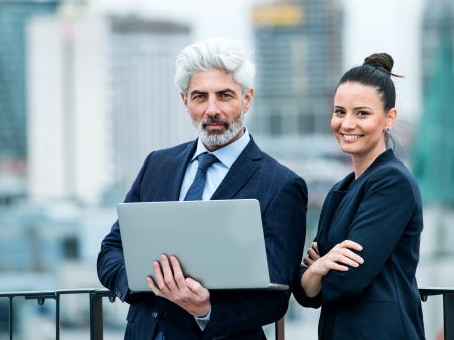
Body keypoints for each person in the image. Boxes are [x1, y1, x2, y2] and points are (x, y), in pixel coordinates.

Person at [97, 38, 308, 340]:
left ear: (247, 99)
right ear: (185, 101)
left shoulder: (282, 184)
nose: (212, 109)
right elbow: (110, 251)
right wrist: (145, 282)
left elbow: (275, 296)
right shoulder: (157, 165)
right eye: (200, 97)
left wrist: (206, 308)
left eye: (224, 96)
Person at [293, 53, 425, 339]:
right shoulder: (339, 190)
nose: (347, 124)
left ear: (389, 118)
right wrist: (321, 267)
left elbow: (346, 280)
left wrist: (317, 269)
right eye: (340, 112)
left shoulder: (392, 182)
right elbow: (304, 294)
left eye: (361, 113)